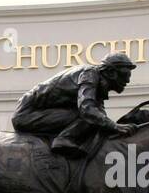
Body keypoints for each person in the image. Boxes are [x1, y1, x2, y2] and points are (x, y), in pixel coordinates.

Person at [10, 52, 139, 156]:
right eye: (125, 75)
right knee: (89, 117)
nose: (128, 80)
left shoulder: (98, 85)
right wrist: (115, 126)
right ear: (111, 72)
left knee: (95, 119)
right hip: (27, 115)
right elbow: (87, 109)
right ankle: (64, 140)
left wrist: (114, 128)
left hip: (42, 112)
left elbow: (99, 115)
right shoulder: (89, 74)